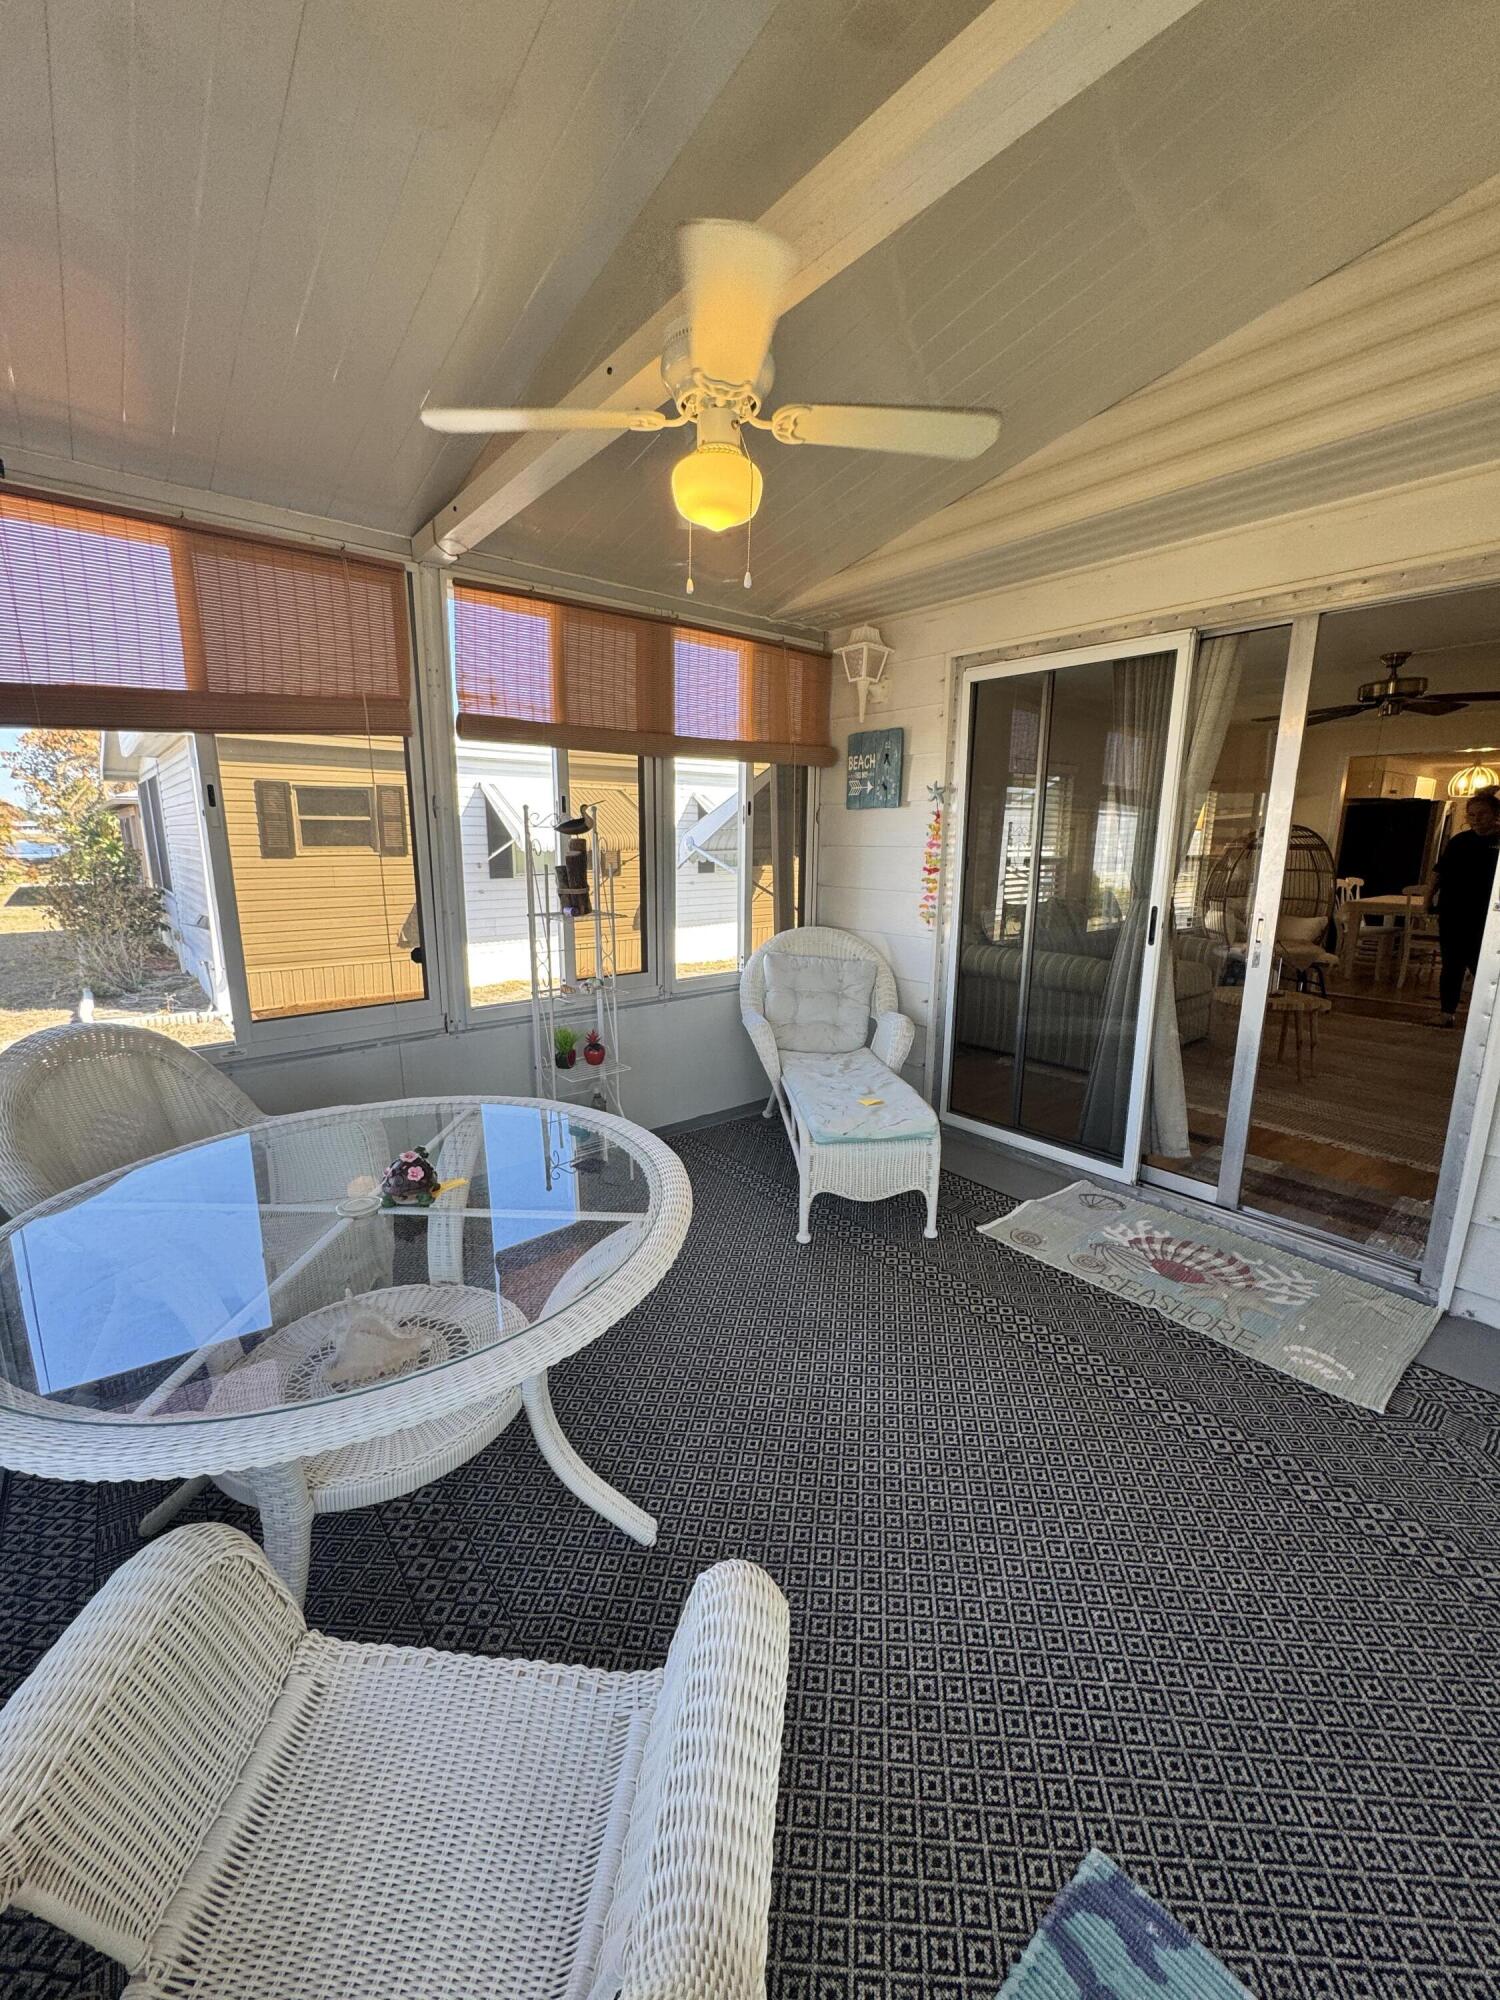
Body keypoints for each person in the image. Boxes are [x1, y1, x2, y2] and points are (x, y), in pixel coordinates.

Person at [1426, 788, 1500, 1025]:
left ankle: (1489, 1016)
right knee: (1451, 964)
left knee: (1483, 966)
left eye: (1482, 814)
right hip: (1453, 911)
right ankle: (1446, 1013)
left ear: (1495, 814)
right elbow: (1438, 874)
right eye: (1472, 814)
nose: (1476, 818)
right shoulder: (1459, 841)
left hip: (1487, 915)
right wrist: (1428, 899)